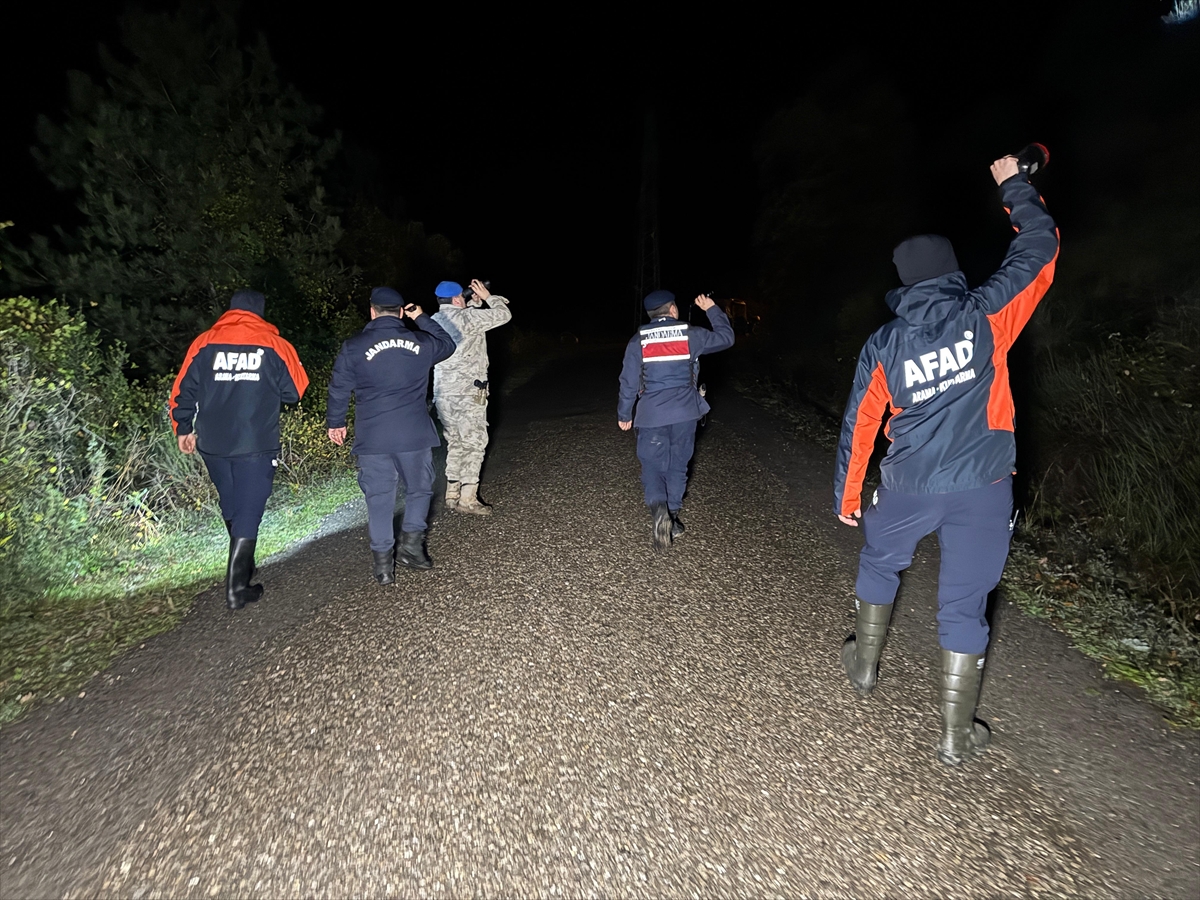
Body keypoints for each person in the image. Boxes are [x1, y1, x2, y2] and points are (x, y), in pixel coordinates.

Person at [833, 155, 1059, 765]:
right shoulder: (986, 313)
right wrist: (1015, 185)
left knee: (881, 561)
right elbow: (1039, 249)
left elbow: (860, 424)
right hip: (983, 485)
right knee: (965, 602)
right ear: (952, 270)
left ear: (904, 283)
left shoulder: (884, 343)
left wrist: (848, 497)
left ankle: (864, 666)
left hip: (908, 485)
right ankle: (956, 736)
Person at [170, 289, 309, 610]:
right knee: (249, 509)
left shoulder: (203, 343)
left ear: (230, 311)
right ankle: (237, 588)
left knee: (231, 503)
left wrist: (183, 428)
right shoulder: (275, 345)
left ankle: (244, 565)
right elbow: (295, 391)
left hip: (213, 442)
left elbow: (182, 390)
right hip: (255, 442)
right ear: (259, 312)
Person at [327, 287, 457, 583]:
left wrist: (336, 422)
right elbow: (448, 344)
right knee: (419, 489)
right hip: (413, 434)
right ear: (400, 312)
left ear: (372, 311)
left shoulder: (354, 346)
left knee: (379, 497)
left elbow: (339, 387)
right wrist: (421, 317)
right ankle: (412, 549)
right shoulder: (421, 342)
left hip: (373, 437)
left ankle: (383, 566)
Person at [618, 290, 735, 549]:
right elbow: (726, 338)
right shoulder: (690, 335)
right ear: (672, 310)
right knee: (678, 465)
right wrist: (711, 308)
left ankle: (659, 508)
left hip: (651, 415)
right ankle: (671, 515)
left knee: (652, 466)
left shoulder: (638, 341)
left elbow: (628, 381)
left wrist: (624, 413)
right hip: (685, 414)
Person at [431, 278, 512, 515]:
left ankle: (452, 493)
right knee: (475, 441)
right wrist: (488, 297)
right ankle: (468, 498)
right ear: (458, 299)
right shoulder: (468, 318)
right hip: (468, 392)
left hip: (444, 394)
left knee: (455, 441)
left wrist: (473, 305)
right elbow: (503, 315)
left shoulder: (434, 321)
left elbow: (467, 327)